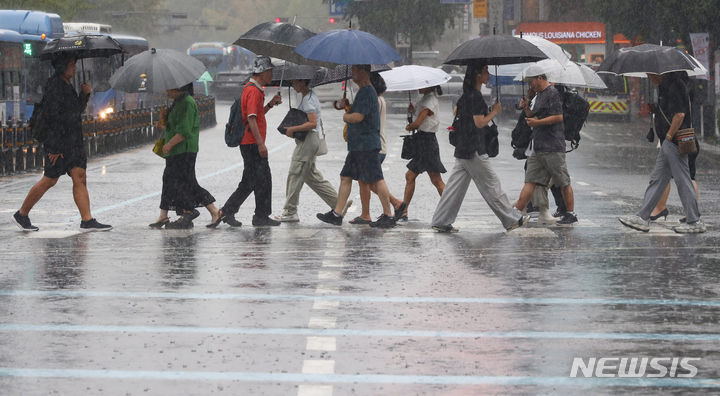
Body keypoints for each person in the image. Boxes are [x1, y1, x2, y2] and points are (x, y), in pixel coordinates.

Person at [12, 54, 111, 232]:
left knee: (79, 176)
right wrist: (54, 147)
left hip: (72, 142)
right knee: (49, 180)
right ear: (62, 66)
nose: (74, 67)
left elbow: (73, 113)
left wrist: (84, 95)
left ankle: (87, 220)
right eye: (71, 64)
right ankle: (22, 213)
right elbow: (53, 120)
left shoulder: (67, 85)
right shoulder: (55, 87)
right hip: (59, 143)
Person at [431, 64, 529, 233]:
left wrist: (486, 111)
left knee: (453, 189)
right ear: (477, 75)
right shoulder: (475, 97)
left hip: (463, 147)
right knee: (491, 185)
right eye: (485, 71)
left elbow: (457, 113)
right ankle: (512, 219)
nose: (488, 74)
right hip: (474, 149)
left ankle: (441, 220)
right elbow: (479, 123)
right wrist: (494, 112)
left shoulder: (465, 96)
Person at [619, 72, 705, 233]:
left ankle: (694, 221)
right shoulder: (664, 86)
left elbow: (680, 115)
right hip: (668, 141)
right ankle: (642, 217)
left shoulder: (676, 86)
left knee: (683, 180)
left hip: (674, 141)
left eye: (649, 72)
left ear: (659, 72)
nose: (647, 75)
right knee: (657, 179)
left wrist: (668, 136)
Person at [317, 64, 396, 228]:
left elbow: (358, 117)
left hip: (366, 145)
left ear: (364, 72)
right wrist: (345, 105)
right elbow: (358, 111)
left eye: (355, 70)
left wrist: (346, 116)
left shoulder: (367, 91)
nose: (352, 73)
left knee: (376, 179)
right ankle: (337, 214)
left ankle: (388, 214)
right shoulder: (363, 92)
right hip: (358, 146)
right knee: (346, 177)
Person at [210, 56, 283, 228]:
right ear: (263, 72)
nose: (272, 75)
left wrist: (270, 105)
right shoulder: (253, 91)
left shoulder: (253, 90)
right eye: (270, 71)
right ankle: (258, 216)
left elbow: (256, 115)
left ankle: (229, 212)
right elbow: (251, 119)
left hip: (249, 142)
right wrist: (260, 144)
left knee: (252, 181)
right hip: (251, 143)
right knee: (262, 179)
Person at [513, 65, 578, 225]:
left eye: (532, 81)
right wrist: (526, 107)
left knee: (563, 181)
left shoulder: (552, 94)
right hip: (538, 146)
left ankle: (571, 213)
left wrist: (537, 122)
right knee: (530, 181)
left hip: (553, 147)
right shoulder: (539, 94)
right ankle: (514, 215)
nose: (530, 85)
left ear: (540, 78)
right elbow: (532, 115)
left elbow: (558, 117)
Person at [277, 78, 347, 222]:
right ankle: (339, 205)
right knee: (313, 178)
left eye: (294, 82)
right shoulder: (308, 96)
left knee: (295, 173)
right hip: (310, 140)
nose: (293, 84)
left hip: (308, 140)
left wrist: (292, 129)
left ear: (303, 82)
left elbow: (312, 122)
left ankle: (290, 211)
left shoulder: (308, 99)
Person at [151, 83, 220, 229]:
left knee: (185, 183)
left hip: (184, 149)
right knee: (173, 180)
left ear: (178, 87)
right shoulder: (177, 102)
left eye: (169, 87)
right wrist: (162, 123)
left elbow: (185, 131)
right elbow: (173, 127)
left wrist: (169, 144)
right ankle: (165, 216)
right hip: (175, 150)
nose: (166, 90)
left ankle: (190, 212)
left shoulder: (187, 103)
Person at [348, 72, 406, 225]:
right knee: (367, 181)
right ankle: (394, 204)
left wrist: (349, 113)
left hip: (373, 147)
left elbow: (362, 120)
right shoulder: (379, 99)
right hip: (376, 146)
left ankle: (375, 213)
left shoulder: (375, 100)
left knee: (373, 181)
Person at [400, 85, 446, 219]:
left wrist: (409, 126)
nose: (418, 87)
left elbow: (418, 123)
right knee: (413, 177)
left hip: (427, 143)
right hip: (425, 142)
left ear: (428, 86)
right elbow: (421, 117)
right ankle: (404, 211)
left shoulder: (429, 100)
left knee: (435, 180)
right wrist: (412, 111)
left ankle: (449, 207)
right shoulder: (426, 99)